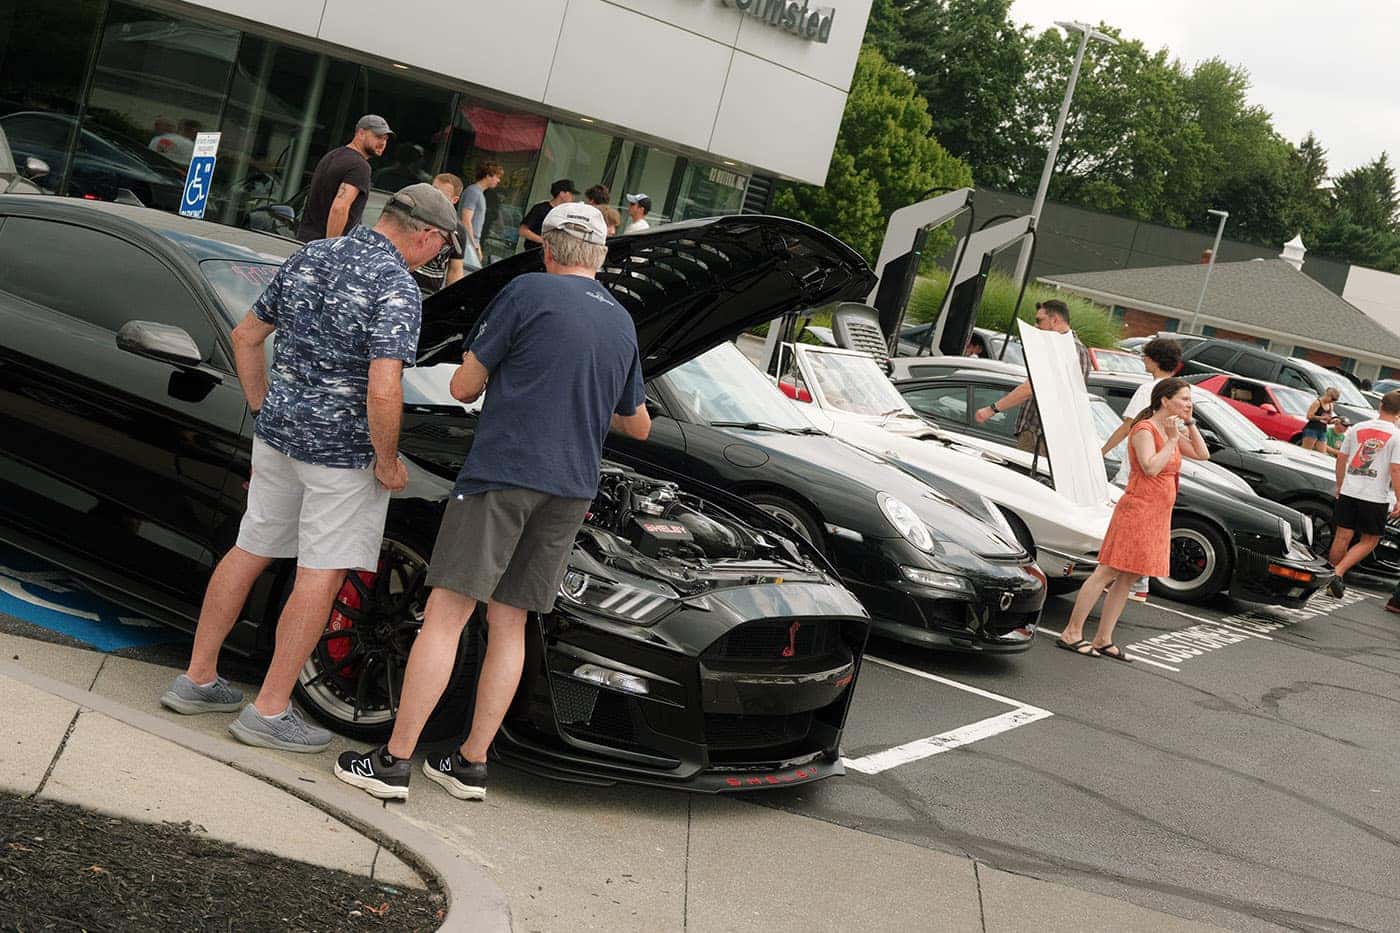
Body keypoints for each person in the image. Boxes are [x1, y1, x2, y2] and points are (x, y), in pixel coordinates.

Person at [332, 203, 651, 802]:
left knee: (447, 614)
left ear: (547, 249)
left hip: (504, 472)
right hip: (571, 488)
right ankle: (471, 764)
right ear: (601, 256)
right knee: (511, 621)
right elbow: (638, 425)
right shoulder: (621, 320)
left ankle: (394, 763)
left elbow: (462, 386)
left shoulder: (526, 291)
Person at [159, 183, 461, 752]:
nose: (437, 256)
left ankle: (196, 679)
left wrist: (261, 408)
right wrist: (388, 461)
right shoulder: (397, 285)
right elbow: (383, 388)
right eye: (442, 247)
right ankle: (270, 710)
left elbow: (246, 336)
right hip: (342, 455)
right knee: (319, 574)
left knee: (250, 548)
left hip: (278, 435)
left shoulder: (313, 253)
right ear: (425, 235)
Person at [1057, 378, 1210, 660]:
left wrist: (1189, 424)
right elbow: (1150, 467)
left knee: (1129, 577)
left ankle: (1103, 638)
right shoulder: (1144, 429)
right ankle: (1072, 632)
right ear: (1165, 401)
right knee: (1107, 571)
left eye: (1190, 400)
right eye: (1185, 399)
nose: (1189, 404)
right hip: (1137, 510)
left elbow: (1203, 454)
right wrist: (1172, 440)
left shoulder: (1171, 429)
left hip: (1157, 515)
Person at [1097, 336, 1183, 603]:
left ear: (1154, 360)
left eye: (1145, 356)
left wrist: (1102, 451)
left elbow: (1128, 426)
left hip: (1135, 473)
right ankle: (1137, 582)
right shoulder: (1180, 391)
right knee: (1148, 530)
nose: (1143, 360)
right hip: (1164, 472)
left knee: (1125, 530)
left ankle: (1126, 581)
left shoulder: (1149, 390)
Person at [973, 300, 1091, 453]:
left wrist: (991, 410)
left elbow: (1031, 387)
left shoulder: (1065, 349)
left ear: (1055, 320)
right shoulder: (1074, 349)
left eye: (1039, 320)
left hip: (1042, 436)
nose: (1036, 326)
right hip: (1045, 435)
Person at [1327, 389, 1400, 599]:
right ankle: (1338, 572)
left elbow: (1342, 458)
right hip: (1375, 495)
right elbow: (1396, 469)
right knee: (1370, 540)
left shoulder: (1358, 428)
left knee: (1342, 536)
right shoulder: (1397, 436)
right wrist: (1399, 499)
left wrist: (1340, 484)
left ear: (1380, 405)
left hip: (1350, 489)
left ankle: (1330, 578)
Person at [296, 115, 392, 242]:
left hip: (304, 241)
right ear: (361, 133)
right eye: (378, 137)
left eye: (385, 139)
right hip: (323, 247)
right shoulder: (360, 166)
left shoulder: (332, 156)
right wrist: (331, 247)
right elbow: (339, 208)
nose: (383, 143)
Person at [412, 173, 470, 297]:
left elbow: (455, 269)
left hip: (429, 294)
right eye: (432, 190)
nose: (434, 197)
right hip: (401, 283)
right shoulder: (414, 215)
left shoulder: (457, 230)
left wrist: (451, 299)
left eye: (441, 195)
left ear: (454, 200)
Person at [459, 161, 504, 265]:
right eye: (497, 177)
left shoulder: (478, 193)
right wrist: (474, 245)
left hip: (470, 241)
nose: (498, 180)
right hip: (467, 242)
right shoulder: (473, 192)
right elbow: (466, 220)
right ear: (488, 176)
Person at [518, 179, 577, 250]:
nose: (573, 197)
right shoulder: (540, 208)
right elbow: (523, 230)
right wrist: (544, 241)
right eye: (571, 194)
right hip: (535, 251)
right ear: (562, 193)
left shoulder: (566, 213)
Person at [1301, 387, 1341, 452]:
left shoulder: (1330, 405)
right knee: (1306, 450)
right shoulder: (1317, 402)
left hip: (1322, 430)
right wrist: (1322, 417)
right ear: (1328, 395)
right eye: (1332, 399)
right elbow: (1309, 416)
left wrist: (1333, 421)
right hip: (1312, 429)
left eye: (1335, 400)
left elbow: (1328, 420)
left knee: (1322, 452)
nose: (1332, 401)